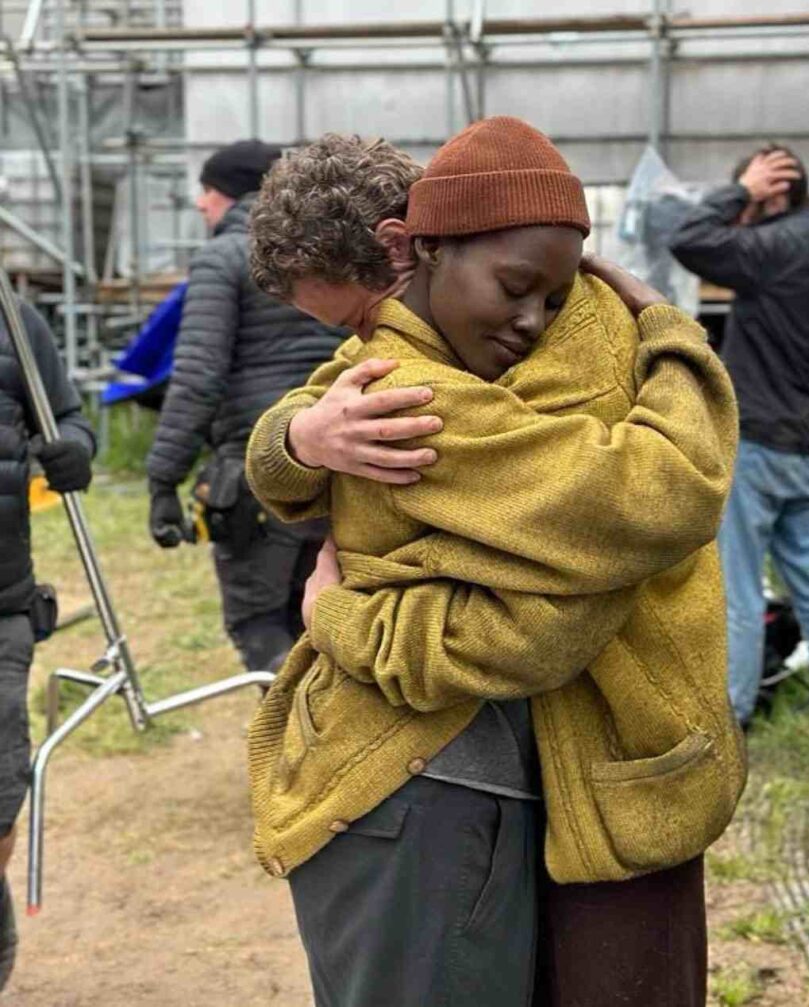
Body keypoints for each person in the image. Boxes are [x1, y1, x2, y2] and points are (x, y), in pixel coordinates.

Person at [245, 121, 743, 1006]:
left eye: (366, 317)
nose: (364, 351)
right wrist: (296, 437)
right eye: (353, 334)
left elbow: (659, 500)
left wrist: (336, 614)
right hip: (513, 771)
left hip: (552, 768)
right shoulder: (405, 371)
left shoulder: (459, 378)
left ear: (411, 251)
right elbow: (308, 415)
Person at [671, 144, 809, 728]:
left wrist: (744, 192)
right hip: (805, 447)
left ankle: (732, 718)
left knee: (739, 587)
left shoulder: (777, 246)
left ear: (773, 194)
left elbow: (689, 238)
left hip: (756, 442)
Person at [145, 139, 344, 674]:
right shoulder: (333, 254)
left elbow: (197, 376)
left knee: (259, 624)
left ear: (229, 195)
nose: (200, 206)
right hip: (341, 465)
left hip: (259, 470)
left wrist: (164, 479)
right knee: (323, 620)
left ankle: (294, 747)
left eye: (206, 192)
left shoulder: (224, 257)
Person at [0, 301, 96, 991]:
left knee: (1, 793)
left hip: (1, 604)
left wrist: (76, 448)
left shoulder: (14, 319)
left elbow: (69, 417)